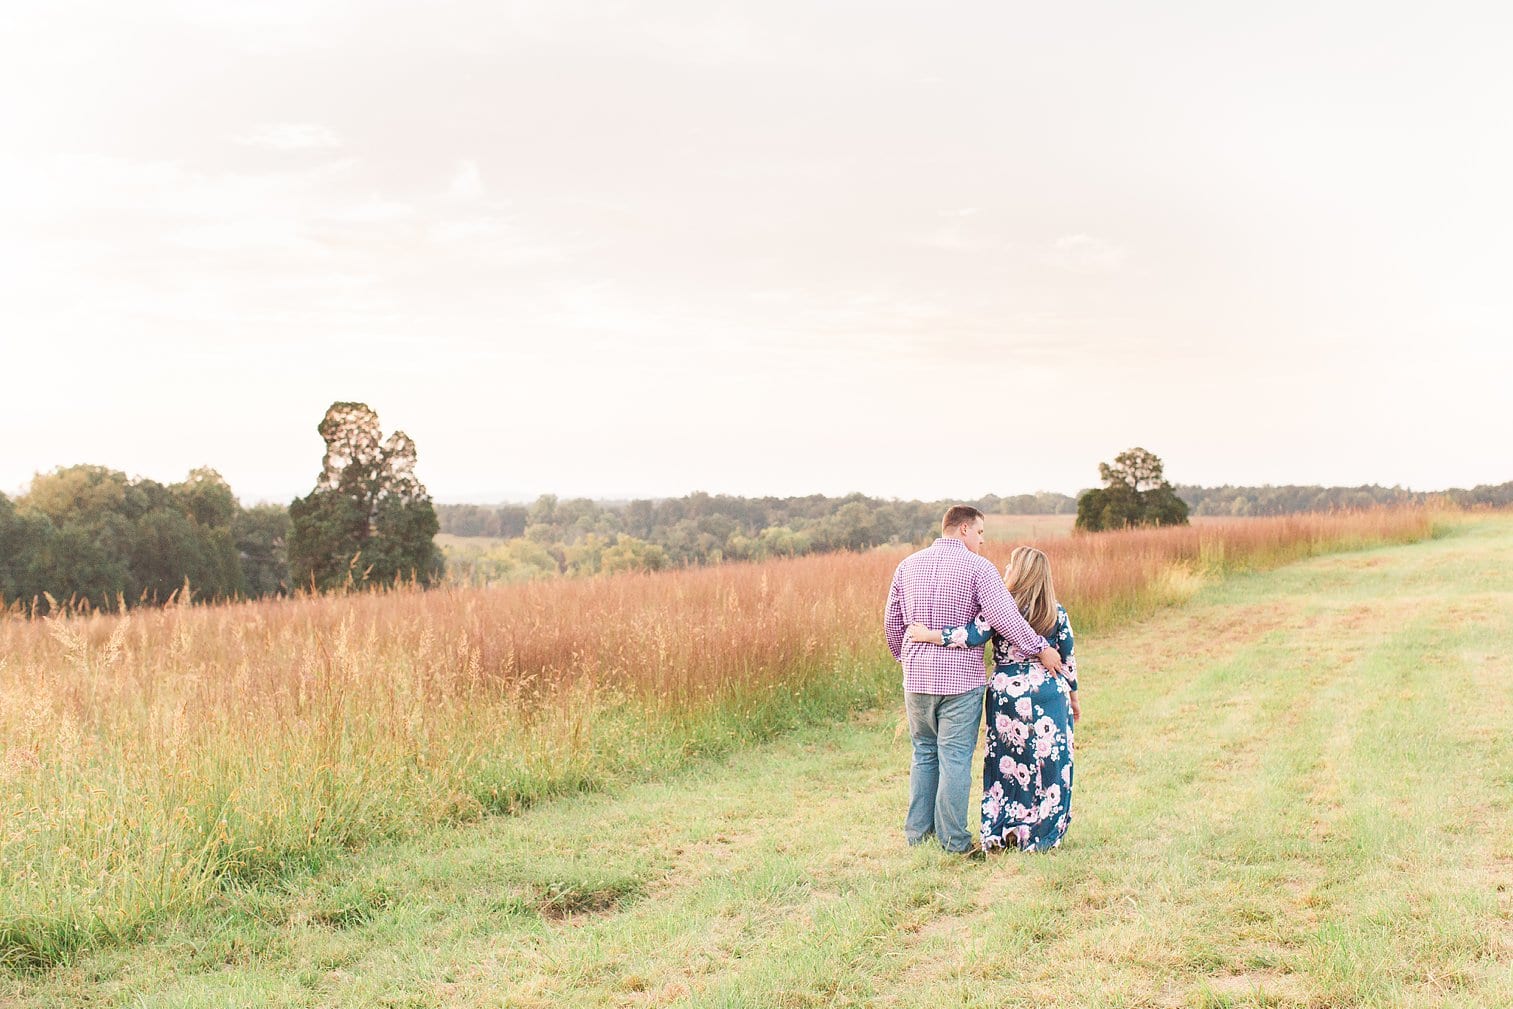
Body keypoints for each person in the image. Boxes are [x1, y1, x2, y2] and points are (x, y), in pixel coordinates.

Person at [884, 507, 1065, 856]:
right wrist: (1041, 648)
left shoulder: (907, 565)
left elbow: (892, 620)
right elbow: (1005, 618)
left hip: (917, 678)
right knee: (954, 757)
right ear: (964, 529)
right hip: (960, 681)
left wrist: (905, 658)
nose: (982, 540)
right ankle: (954, 842)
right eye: (980, 533)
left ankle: (918, 836)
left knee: (923, 753)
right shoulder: (979, 568)